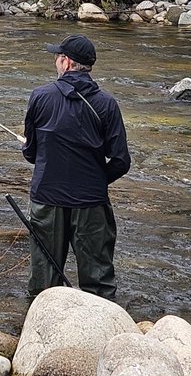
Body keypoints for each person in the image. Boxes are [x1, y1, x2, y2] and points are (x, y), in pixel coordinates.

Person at [22, 34, 131, 299]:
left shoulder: (40, 97)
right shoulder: (107, 104)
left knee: (44, 283)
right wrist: (95, 179)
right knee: (99, 284)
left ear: (67, 62)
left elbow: (30, 153)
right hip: (91, 203)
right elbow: (121, 161)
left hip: (47, 200)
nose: (56, 61)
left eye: (58, 57)